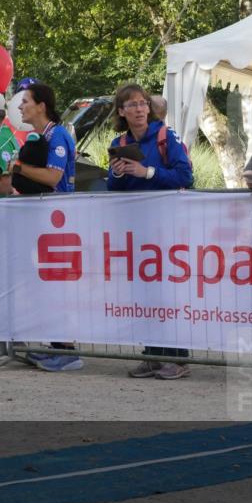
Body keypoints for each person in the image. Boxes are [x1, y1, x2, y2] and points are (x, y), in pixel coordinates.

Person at [107, 83, 194, 380]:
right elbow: (112, 186)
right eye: (131, 105)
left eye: (142, 103)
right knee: (143, 292)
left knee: (167, 291)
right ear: (121, 111)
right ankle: (153, 355)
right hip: (136, 228)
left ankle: (177, 358)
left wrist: (148, 173)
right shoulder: (118, 141)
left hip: (167, 227)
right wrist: (119, 172)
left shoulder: (165, 136)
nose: (139, 109)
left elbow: (186, 176)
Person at [11, 83, 84, 372]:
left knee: (58, 286)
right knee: (47, 285)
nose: (20, 107)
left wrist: (19, 168)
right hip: (47, 221)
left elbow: (53, 177)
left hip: (59, 220)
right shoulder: (45, 134)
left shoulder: (57, 135)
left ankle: (67, 352)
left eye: (25, 101)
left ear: (41, 105)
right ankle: (56, 345)